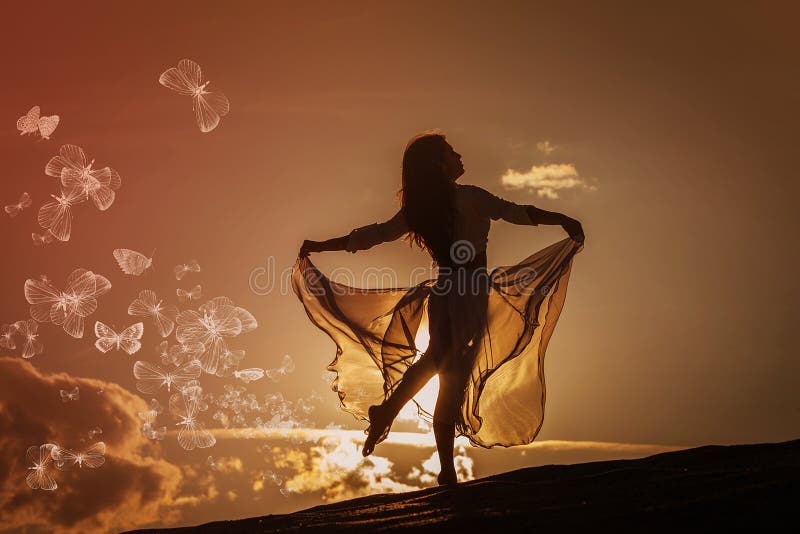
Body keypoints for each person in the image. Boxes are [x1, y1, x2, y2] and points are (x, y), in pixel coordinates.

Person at [296, 130, 584, 486]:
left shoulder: (421, 209)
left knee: (436, 359)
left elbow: (375, 235)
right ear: (438, 163)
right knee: (452, 376)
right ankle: (444, 468)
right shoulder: (471, 197)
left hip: (445, 291)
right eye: (452, 152)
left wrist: (323, 244)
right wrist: (562, 219)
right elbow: (517, 213)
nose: (460, 155)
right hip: (469, 292)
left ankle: (392, 416)